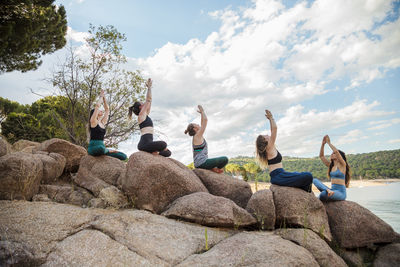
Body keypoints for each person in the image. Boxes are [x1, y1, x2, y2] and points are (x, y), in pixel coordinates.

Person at [255, 109, 313, 192]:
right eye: (266, 136)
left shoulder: (270, 147)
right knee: (308, 175)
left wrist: (270, 120)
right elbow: (274, 129)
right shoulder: (269, 147)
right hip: (278, 176)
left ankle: (304, 189)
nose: (268, 135)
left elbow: (272, 130)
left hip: (281, 174)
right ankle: (306, 190)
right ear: (265, 141)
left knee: (299, 173)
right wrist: (271, 118)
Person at [128, 78, 171, 157]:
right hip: (144, 144)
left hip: (149, 143)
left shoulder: (145, 114)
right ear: (141, 107)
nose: (144, 103)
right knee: (163, 144)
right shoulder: (141, 115)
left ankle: (155, 152)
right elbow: (148, 99)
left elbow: (149, 101)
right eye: (142, 102)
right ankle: (152, 152)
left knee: (168, 152)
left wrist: (149, 93)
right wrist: (149, 88)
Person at [185, 105, 228, 173]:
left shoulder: (197, 136)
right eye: (196, 124)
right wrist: (202, 111)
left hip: (200, 163)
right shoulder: (197, 136)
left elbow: (202, 122)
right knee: (225, 159)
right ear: (194, 128)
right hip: (201, 163)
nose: (198, 124)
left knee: (223, 159)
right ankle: (214, 169)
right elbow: (205, 121)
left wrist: (202, 114)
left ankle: (213, 169)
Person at [88, 90, 127, 160]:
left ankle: (106, 152)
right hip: (94, 147)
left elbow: (107, 109)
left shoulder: (103, 122)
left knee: (123, 156)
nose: (101, 110)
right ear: (95, 113)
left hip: (102, 147)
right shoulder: (93, 121)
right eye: (99, 110)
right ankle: (107, 151)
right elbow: (97, 106)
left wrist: (104, 99)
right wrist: (100, 97)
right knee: (101, 149)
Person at [313, 135, 351, 201]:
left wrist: (329, 143)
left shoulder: (343, 165)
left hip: (340, 193)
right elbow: (321, 156)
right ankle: (327, 190)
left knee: (323, 194)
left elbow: (337, 152)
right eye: (332, 153)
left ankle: (326, 192)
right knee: (314, 180)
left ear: (339, 156)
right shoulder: (331, 165)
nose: (332, 154)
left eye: (333, 153)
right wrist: (323, 144)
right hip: (331, 190)